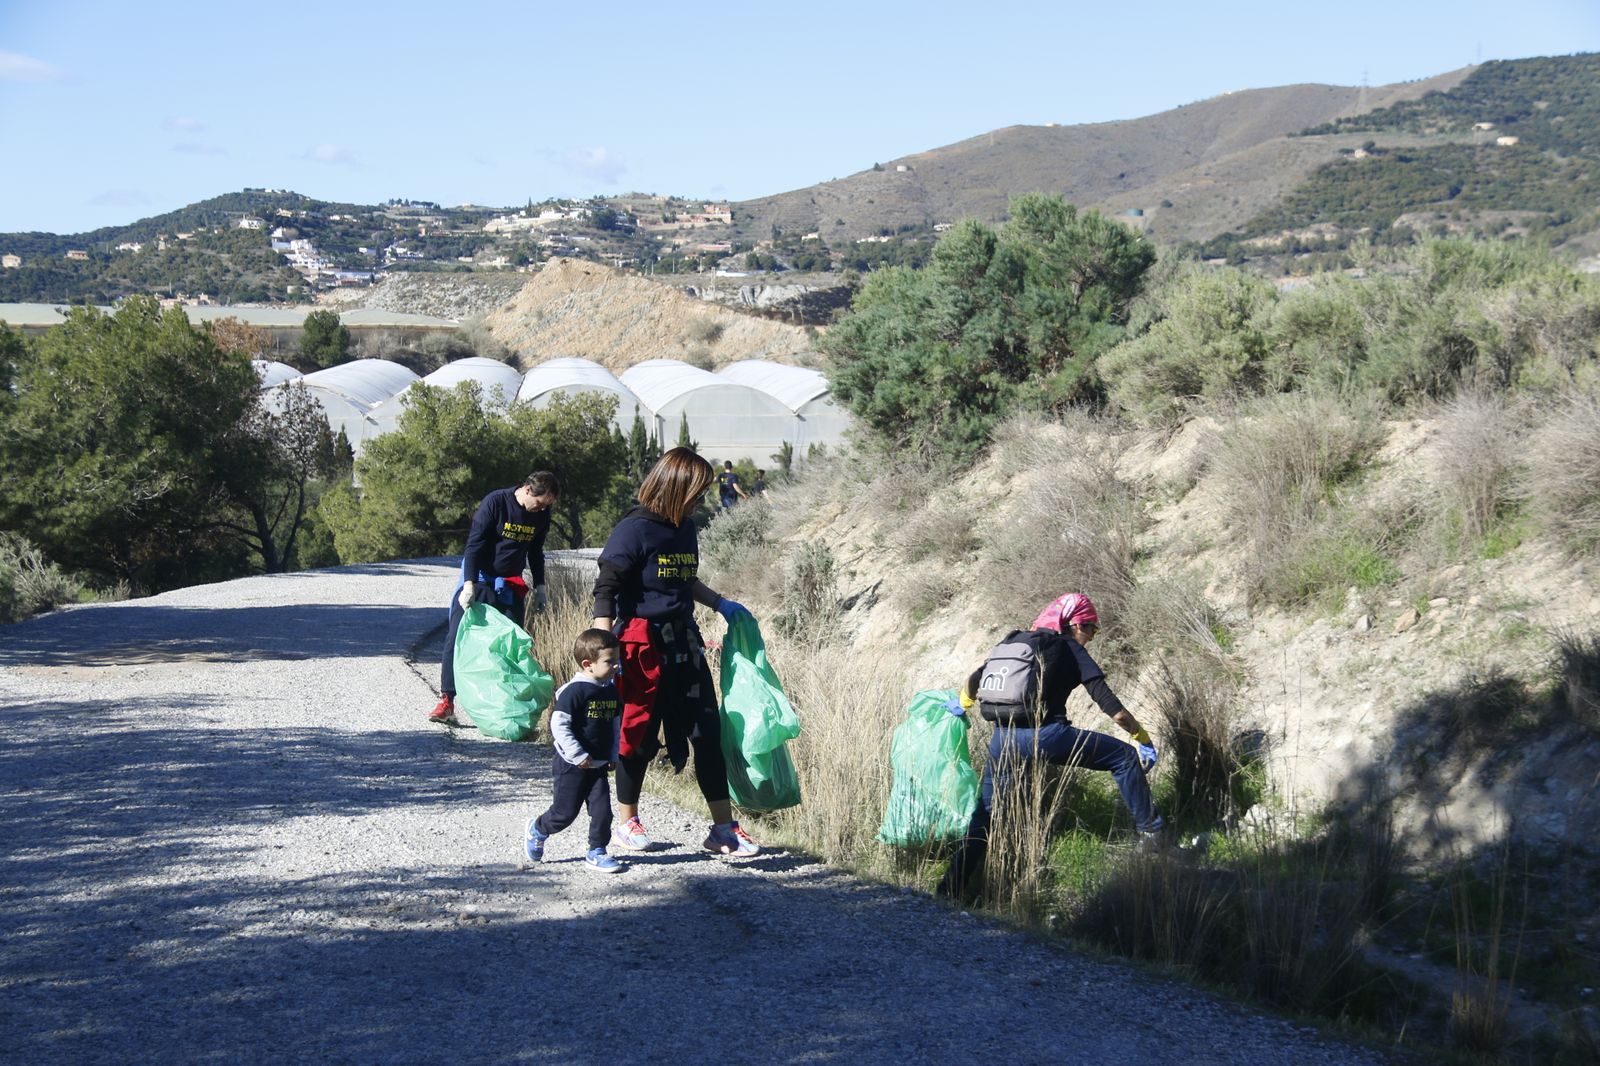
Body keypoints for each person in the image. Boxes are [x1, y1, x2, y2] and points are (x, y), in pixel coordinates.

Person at [938, 592, 1167, 901]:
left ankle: (948, 890)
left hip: (1001, 741)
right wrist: (1141, 738)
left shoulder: (1018, 640)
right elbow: (1113, 708)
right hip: (1047, 736)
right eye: (1091, 629)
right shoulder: (1069, 647)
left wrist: (962, 704)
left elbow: (977, 678)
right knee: (1124, 757)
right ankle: (1154, 837)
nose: (1092, 637)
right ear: (1074, 623)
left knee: (986, 816)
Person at [591, 447, 760, 857]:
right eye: (696, 493)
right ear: (675, 486)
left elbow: (685, 580)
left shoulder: (684, 525)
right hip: (640, 645)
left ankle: (723, 829)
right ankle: (627, 823)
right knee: (639, 734)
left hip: (683, 641)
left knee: (706, 731)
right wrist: (601, 652)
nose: (700, 501)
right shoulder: (633, 529)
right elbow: (606, 589)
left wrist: (721, 603)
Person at [428, 471, 561, 724]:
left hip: (510, 583)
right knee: (457, 635)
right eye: (541, 503)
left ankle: (506, 707)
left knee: (512, 644)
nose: (542, 509)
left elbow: (535, 552)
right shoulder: (496, 503)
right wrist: (468, 585)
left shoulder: (541, 516)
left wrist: (541, 587)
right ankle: (447, 700)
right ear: (528, 490)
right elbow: (474, 545)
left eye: (548, 505)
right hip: (478, 576)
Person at [524, 628, 623, 874]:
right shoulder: (574, 691)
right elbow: (558, 725)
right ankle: (538, 828)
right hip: (571, 765)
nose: (616, 667)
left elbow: (614, 725)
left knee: (603, 812)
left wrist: (612, 754)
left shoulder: (610, 689)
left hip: (597, 765)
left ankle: (597, 851)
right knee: (564, 814)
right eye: (610, 661)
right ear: (588, 664)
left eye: (617, 660)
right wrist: (578, 754)